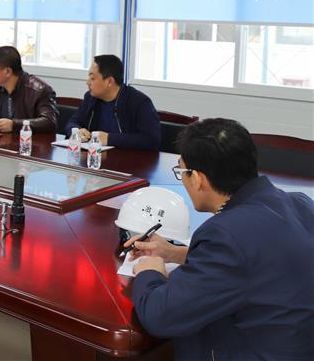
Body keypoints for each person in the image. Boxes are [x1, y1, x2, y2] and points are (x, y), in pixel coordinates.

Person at [128, 118, 314, 360]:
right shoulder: (300, 203)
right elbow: (259, 259)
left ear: (198, 179)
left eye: (181, 172)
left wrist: (150, 271)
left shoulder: (225, 234)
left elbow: (160, 317)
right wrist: (174, 253)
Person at [65, 55, 161, 150]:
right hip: (95, 156)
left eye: (92, 78)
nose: (87, 82)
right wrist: (76, 131)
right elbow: (72, 122)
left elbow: (151, 140)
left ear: (109, 81)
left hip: (127, 158)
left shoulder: (139, 102)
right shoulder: (90, 98)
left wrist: (109, 139)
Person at [0, 46, 57, 133]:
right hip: (3, 140)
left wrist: (14, 125)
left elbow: (49, 122)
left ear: (7, 71)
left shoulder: (39, 90)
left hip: (28, 141)